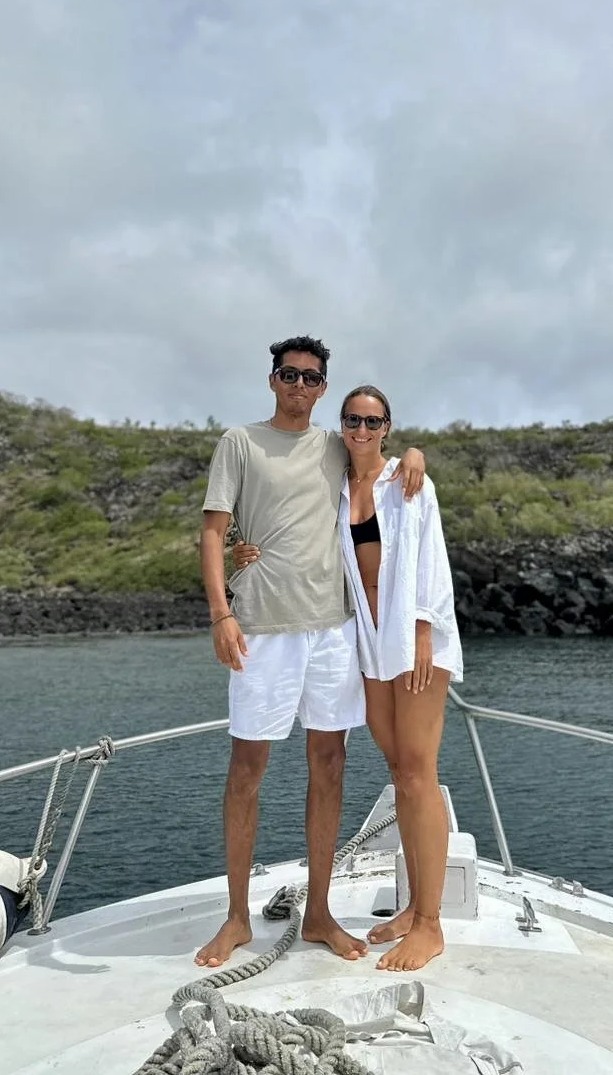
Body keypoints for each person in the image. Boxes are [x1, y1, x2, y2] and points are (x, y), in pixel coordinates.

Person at [195, 338, 426, 969]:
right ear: (273, 380)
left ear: (324, 387)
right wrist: (221, 614)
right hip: (261, 627)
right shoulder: (239, 442)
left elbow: (378, 456)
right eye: (289, 374)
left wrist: (414, 451)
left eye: (311, 377)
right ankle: (238, 917)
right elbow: (215, 532)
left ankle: (320, 913)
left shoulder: (334, 442)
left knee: (330, 762)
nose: (300, 385)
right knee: (247, 769)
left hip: (332, 629)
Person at [235, 384, 463, 972]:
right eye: (352, 420)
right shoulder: (338, 485)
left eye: (373, 421)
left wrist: (420, 633)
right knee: (398, 768)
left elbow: (430, 561)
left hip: (414, 642)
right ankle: (415, 907)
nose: (361, 429)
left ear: (388, 426)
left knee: (417, 772)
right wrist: (245, 549)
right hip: (369, 643)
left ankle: (431, 924)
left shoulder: (409, 484)